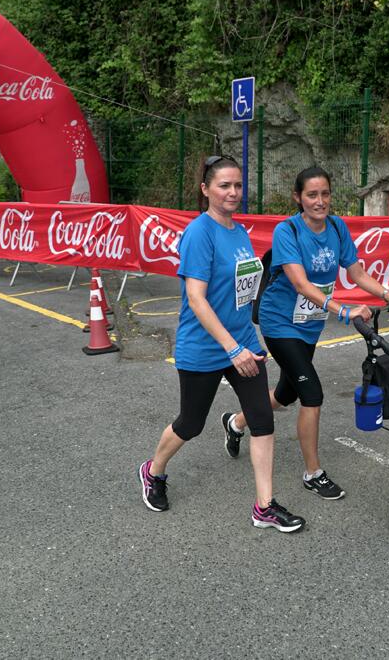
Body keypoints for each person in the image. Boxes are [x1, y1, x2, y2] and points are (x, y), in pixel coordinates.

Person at [137, 155, 305, 533]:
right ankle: (153, 470)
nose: (233, 192)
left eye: (238, 185)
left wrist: (249, 340)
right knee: (191, 424)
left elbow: (241, 293)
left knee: (262, 421)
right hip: (205, 347)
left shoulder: (238, 231)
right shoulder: (200, 233)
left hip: (243, 342)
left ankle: (264, 506)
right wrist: (231, 348)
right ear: (205, 190)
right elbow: (197, 298)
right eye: (224, 186)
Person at [222, 167, 389, 500]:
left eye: (325, 194)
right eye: (312, 194)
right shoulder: (288, 231)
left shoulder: (337, 228)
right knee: (312, 395)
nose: (320, 201)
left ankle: (236, 423)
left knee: (287, 393)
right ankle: (313, 473)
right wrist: (344, 310)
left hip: (309, 325)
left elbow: (356, 272)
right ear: (298, 197)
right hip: (279, 323)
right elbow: (299, 283)